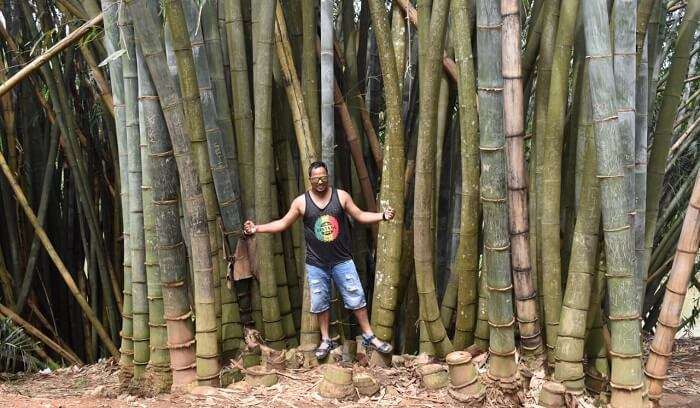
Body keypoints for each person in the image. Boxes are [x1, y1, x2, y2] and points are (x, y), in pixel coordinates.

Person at [243, 161, 395, 359]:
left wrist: (382, 216)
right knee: (320, 302)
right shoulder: (301, 202)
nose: (321, 182)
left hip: (342, 260)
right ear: (310, 180)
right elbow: (283, 223)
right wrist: (257, 228)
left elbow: (359, 215)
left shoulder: (341, 196)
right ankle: (325, 340)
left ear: (328, 176)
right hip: (316, 263)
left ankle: (369, 335)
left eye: (324, 177)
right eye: (316, 179)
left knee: (356, 297)